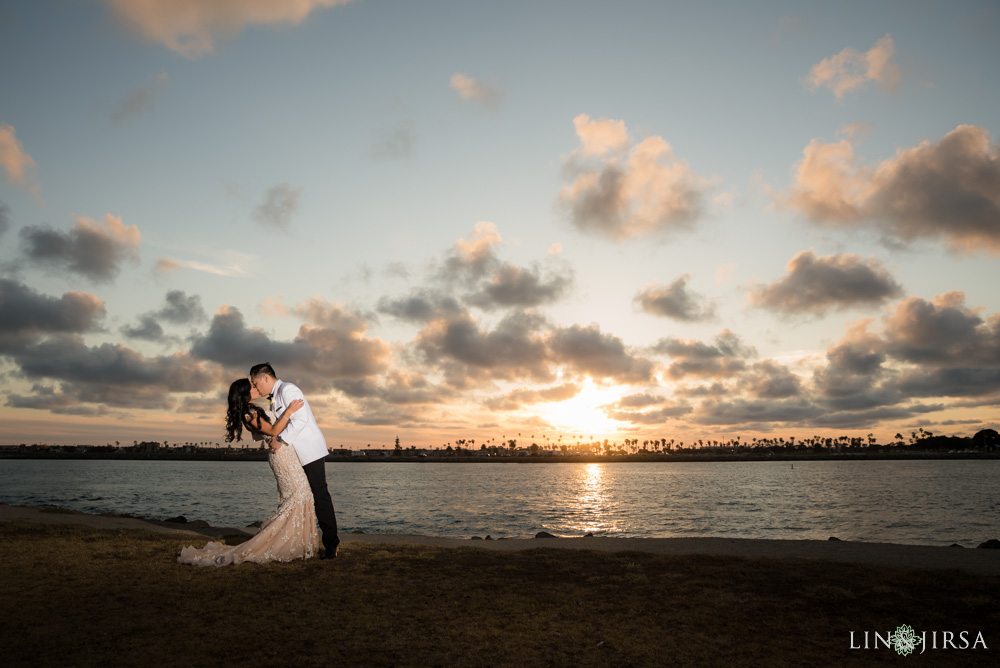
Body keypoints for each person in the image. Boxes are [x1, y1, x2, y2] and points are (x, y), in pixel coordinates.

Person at [177, 378, 319, 567]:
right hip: (282, 456)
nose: (255, 387)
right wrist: (290, 411)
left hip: (286, 453)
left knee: (298, 496)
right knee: (299, 495)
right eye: (252, 387)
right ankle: (283, 542)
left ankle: (295, 541)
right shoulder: (249, 414)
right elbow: (273, 430)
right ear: (245, 393)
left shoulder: (253, 410)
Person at [249, 362, 340, 559]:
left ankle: (332, 544)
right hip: (294, 454)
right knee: (301, 496)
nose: (255, 388)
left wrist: (280, 439)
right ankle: (301, 538)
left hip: (309, 451)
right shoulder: (275, 396)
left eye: (256, 383)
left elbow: (301, 419)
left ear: (265, 377)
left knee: (320, 495)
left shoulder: (288, 389)